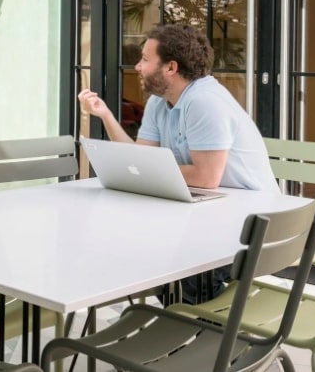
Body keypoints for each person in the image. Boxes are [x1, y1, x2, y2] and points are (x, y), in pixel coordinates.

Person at [78, 23, 277, 302]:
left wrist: (148, 171)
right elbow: (141, 161)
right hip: (208, 217)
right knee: (143, 253)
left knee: (182, 269)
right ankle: (183, 331)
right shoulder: (160, 102)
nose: (137, 66)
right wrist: (107, 116)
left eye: (146, 59)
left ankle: (208, 336)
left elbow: (206, 178)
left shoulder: (205, 101)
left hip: (248, 228)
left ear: (170, 68)